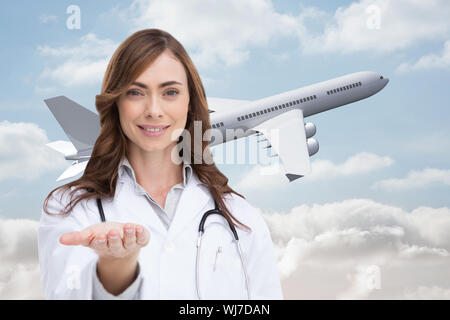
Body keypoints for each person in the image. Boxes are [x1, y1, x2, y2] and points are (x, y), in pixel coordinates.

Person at [38, 28, 283, 300]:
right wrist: (115, 267)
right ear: (116, 102)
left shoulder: (241, 217)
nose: (154, 110)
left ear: (190, 101)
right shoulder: (69, 210)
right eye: (135, 92)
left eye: (170, 92)